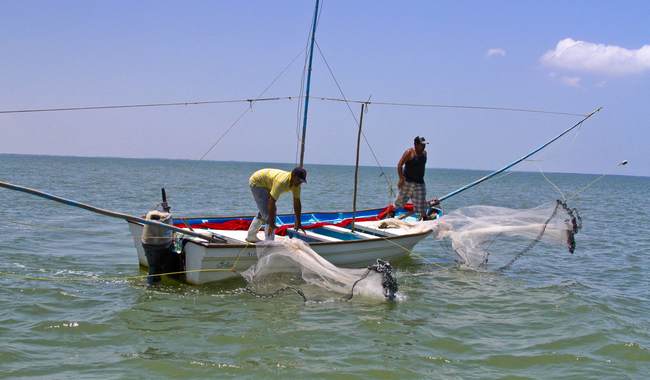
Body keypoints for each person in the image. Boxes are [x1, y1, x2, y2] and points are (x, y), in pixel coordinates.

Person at [246, 167, 307, 242]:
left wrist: (299, 222)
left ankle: (251, 236)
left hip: (267, 183)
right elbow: (272, 202)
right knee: (269, 215)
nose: (299, 183)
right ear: (293, 176)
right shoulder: (281, 182)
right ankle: (269, 243)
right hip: (257, 182)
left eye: (301, 181)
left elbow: (297, 203)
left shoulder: (297, 186)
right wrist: (271, 223)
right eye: (298, 180)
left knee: (265, 211)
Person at [394, 136, 430, 220]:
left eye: (424, 145)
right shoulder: (409, 152)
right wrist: (401, 178)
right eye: (422, 145)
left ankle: (424, 218)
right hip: (408, 182)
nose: (424, 146)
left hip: (420, 183)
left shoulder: (424, 153)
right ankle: (391, 215)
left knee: (421, 204)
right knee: (399, 203)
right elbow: (399, 165)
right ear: (416, 144)